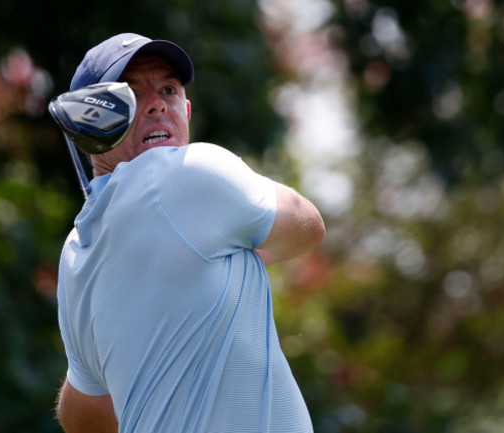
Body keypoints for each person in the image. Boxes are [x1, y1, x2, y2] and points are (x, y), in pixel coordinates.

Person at [54, 33, 326, 433]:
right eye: (129, 94)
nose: (158, 103)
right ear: (88, 120)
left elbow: (82, 417)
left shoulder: (75, 256)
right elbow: (307, 223)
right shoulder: (186, 173)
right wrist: (232, 241)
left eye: (169, 89)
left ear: (187, 109)